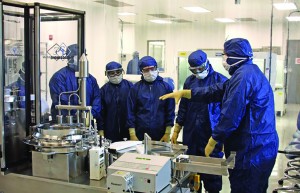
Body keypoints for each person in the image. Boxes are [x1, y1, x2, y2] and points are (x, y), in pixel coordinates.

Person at [160, 38, 279, 193]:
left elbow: (231, 114)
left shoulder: (243, 77)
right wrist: (186, 93)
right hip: (254, 145)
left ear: (234, 56)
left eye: (225, 55)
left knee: (245, 188)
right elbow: (217, 90)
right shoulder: (245, 73)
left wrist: (214, 139)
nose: (223, 59)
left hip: (252, 149)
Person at [172, 50, 227, 193]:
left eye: (200, 69)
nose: (197, 72)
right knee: (191, 177)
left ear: (207, 63)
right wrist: (177, 129)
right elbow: (183, 107)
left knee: (212, 179)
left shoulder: (221, 82)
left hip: (211, 136)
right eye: (193, 70)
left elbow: (226, 114)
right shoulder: (189, 81)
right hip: (191, 136)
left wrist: (223, 139)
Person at [127, 56, 175, 141]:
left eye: (152, 68)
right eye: (146, 70)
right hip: (140, 134)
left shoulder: (166, 88)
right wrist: (132, 134)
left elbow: (170, 112)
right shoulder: (135, 89)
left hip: (161, 134)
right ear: (141, 71)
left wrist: (167, 133)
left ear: (156, 68)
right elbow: (130, 112)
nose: (150, 72)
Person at [49, 44, 101, 122]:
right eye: (79, 56)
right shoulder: (59, 77)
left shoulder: (90, 79)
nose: (83, 59)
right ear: (71, 58)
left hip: (86, 123)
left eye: (85, 56)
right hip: (65, 123)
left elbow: (97, 98)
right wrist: (77, 115)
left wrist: (90, 114)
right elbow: (61, 100)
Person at [99, 61, 133, 142]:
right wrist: (101, 130)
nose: (115, 76)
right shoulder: (103, 91)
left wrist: (133, 132)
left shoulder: (130, 87)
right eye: (112, 73)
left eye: (118, 72)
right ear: (107, 74)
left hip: (128, 129)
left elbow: (134, 109)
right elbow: (101, 113)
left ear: (122, 72)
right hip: (110, 130)